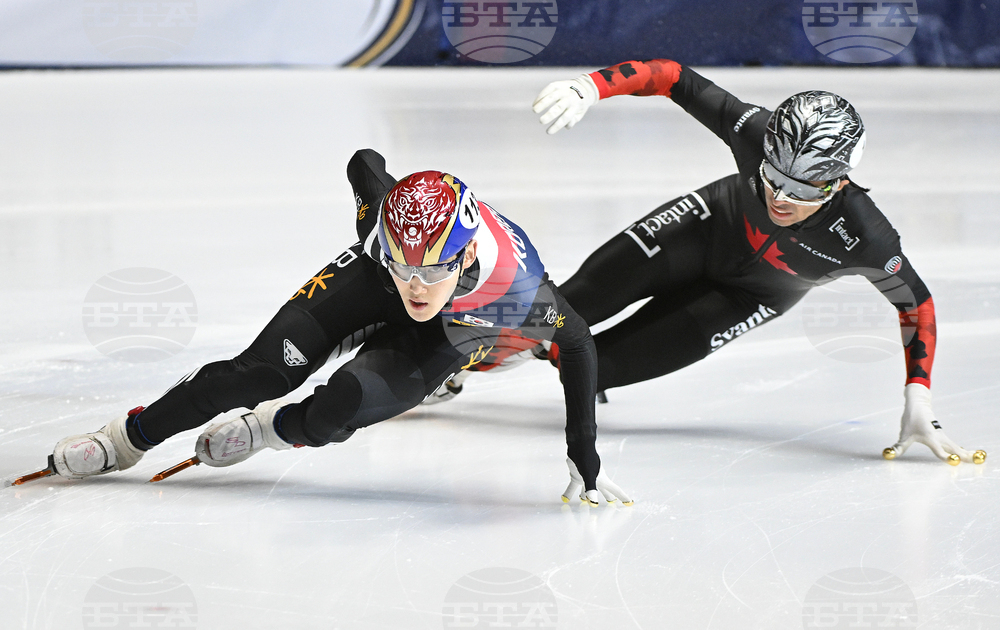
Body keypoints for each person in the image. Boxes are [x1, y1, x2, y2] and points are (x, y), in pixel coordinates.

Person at [38, 149, 632, 506]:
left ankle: (271, 429)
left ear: (466, 255)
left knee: (335, 409)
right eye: (405, 266)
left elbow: (576, 344)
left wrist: (583, 451)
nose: (415, 286)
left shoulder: (518, 293)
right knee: (257, 372)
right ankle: (126, 438)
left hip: (457, 329)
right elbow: (364, 162)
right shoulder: (384, 225)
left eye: (431, 271)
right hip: (365, 281)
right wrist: (392, 255)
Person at [517, 59, 984, 466]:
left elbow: (915, 304)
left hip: (753, 295)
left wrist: (918, 393)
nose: (780, 198)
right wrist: (592, 85)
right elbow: (675, 78)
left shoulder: (867, 237)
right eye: (773, 177)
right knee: (549, 313)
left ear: (838, 184)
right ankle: (466, 359)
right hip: (704, 227)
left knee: (595, 365)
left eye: (802, 190)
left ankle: (515, 355)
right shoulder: (756, 133)